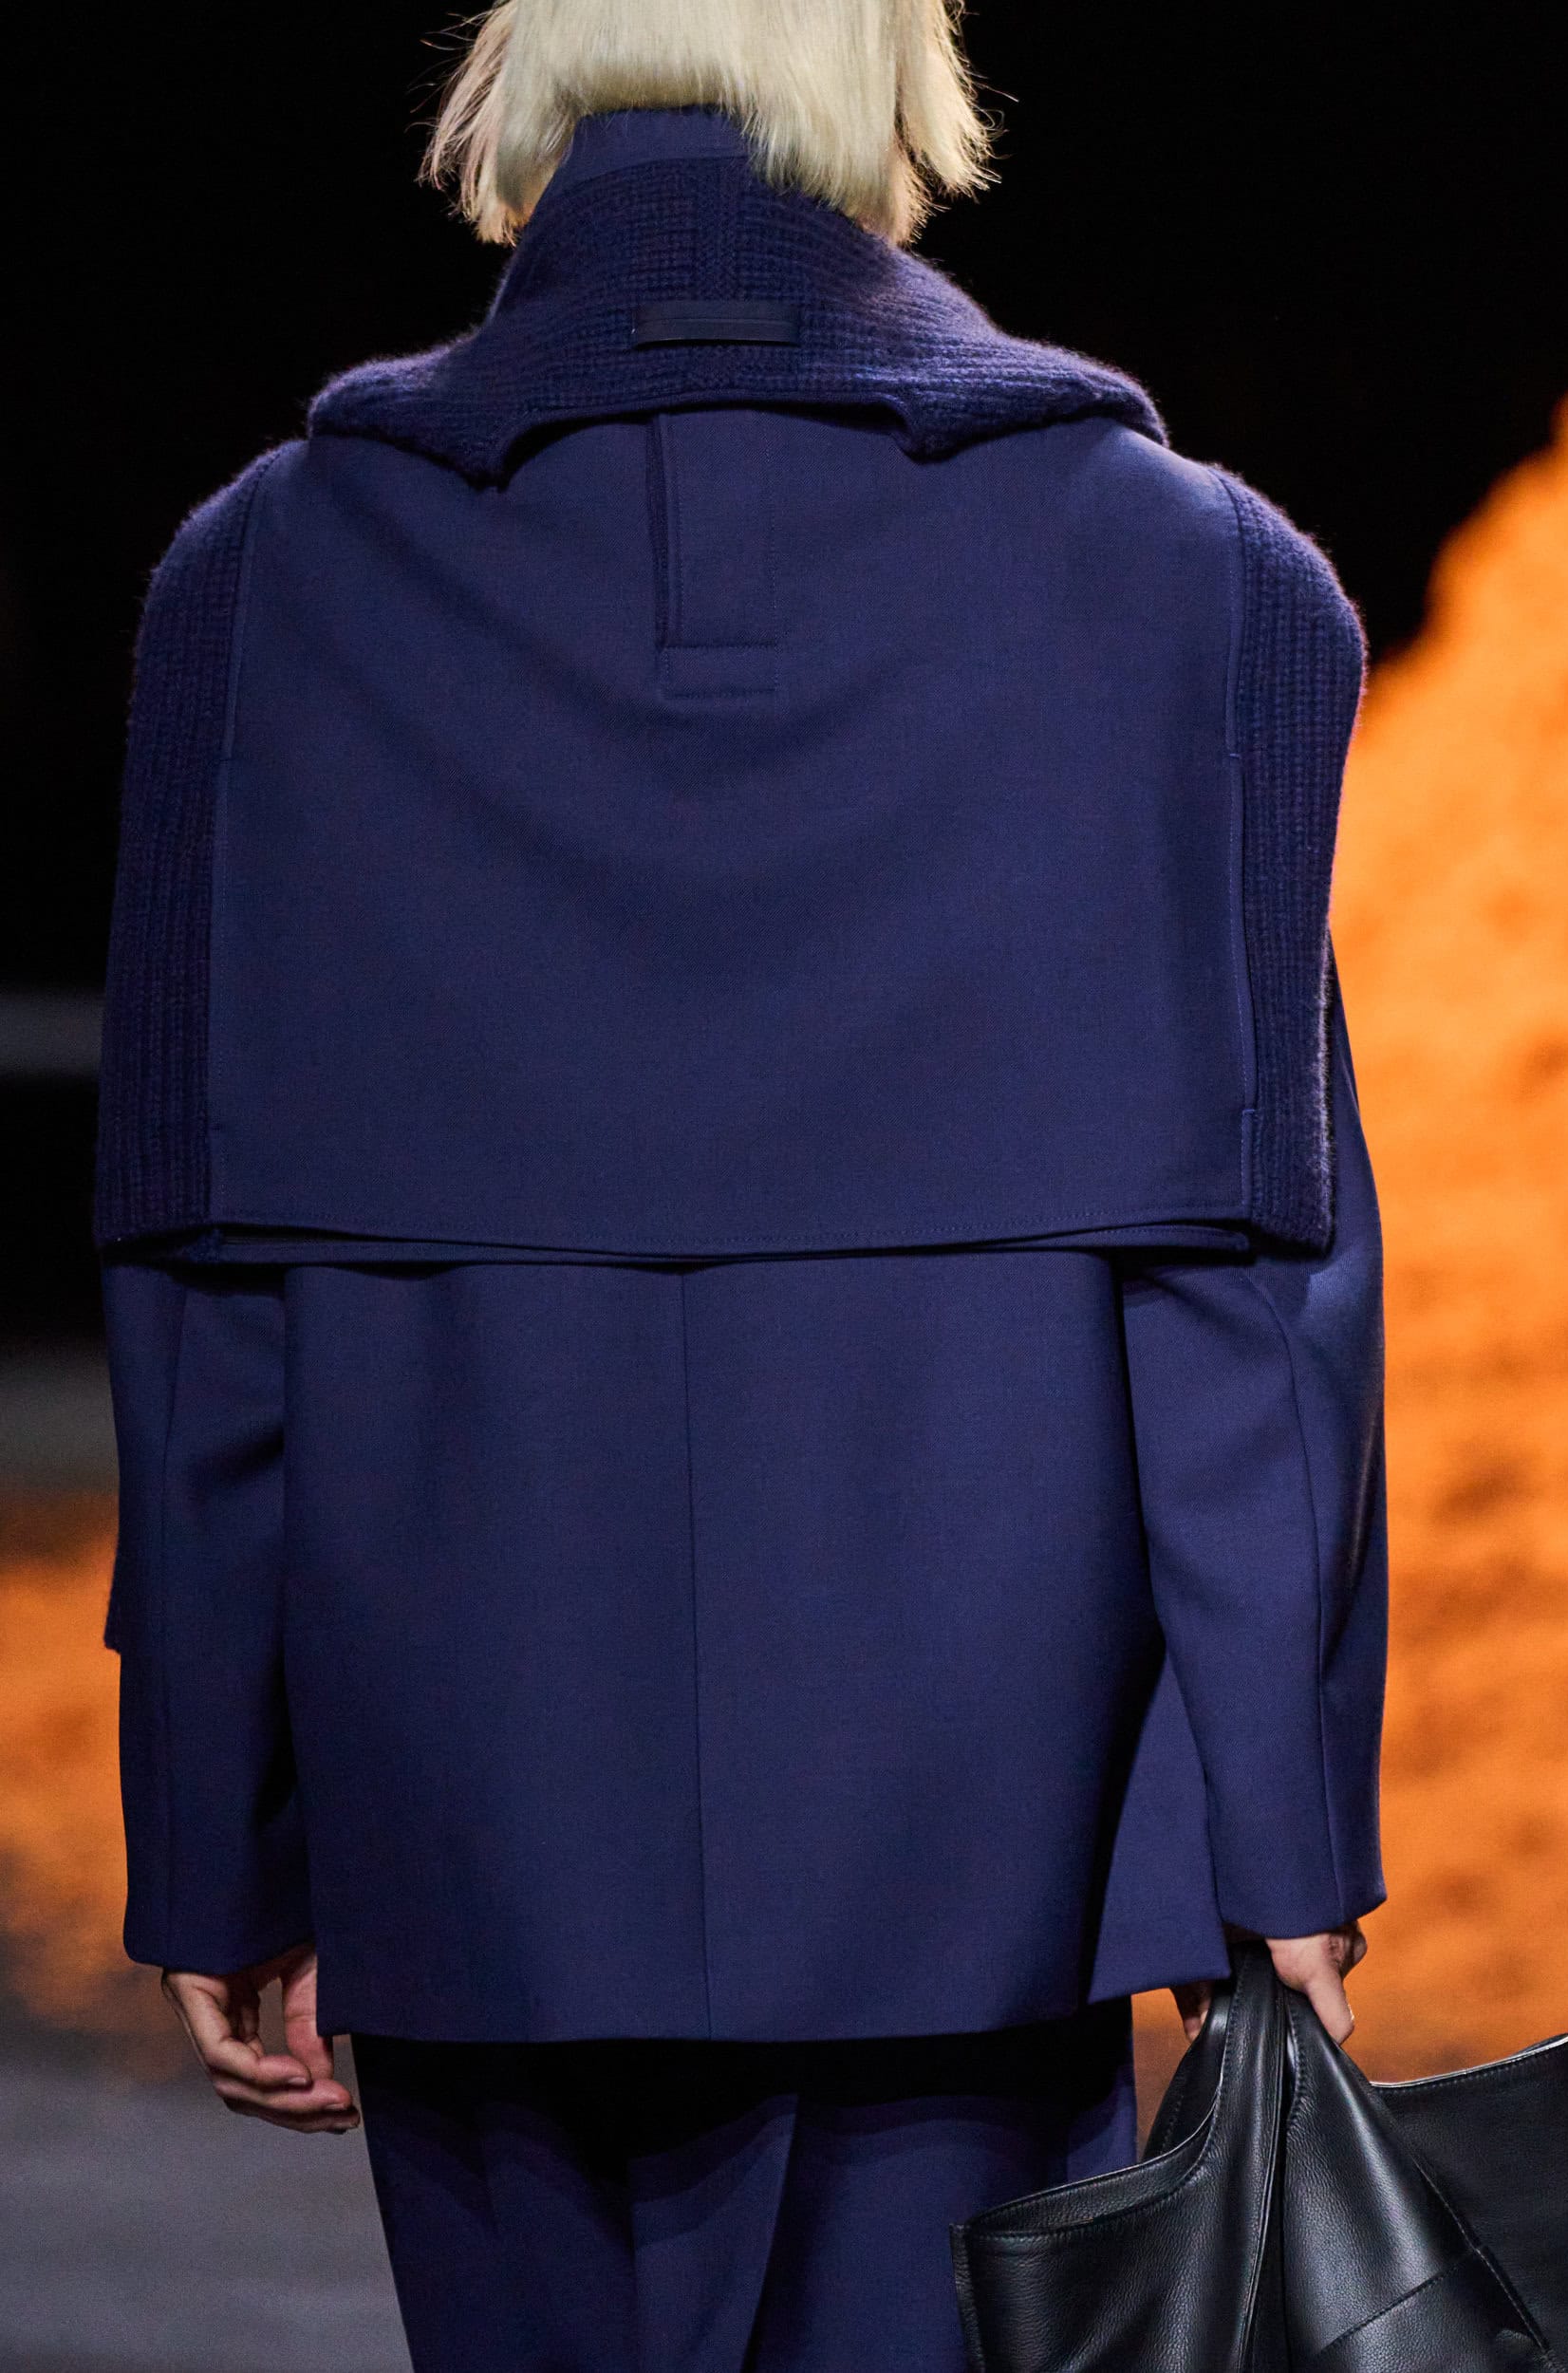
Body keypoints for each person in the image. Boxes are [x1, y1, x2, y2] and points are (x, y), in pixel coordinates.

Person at [95, 3, 1385, 2366]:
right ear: (895, 84)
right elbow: (1241, 1291)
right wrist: (1275, 1841)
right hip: (982, 1841)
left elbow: (209, 1285)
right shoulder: (1196, 583)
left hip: (466, 1807)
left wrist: (211, 1824)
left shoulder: (261, 586)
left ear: (521, 84)